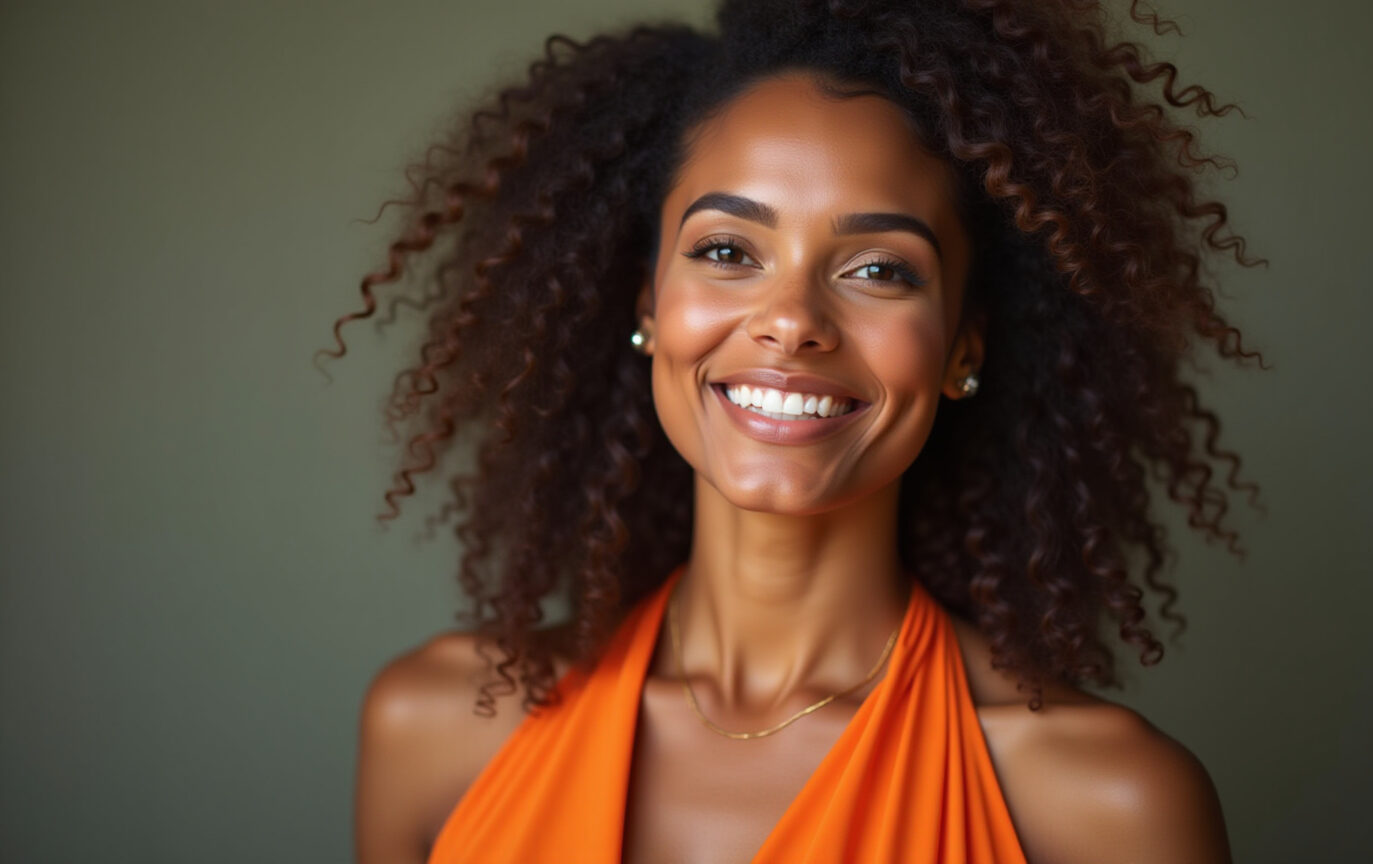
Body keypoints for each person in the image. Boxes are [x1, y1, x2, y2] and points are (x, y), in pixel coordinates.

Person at [326, 0, 1265, 861]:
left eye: (880, 270)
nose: (792, 321)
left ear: (961, 346)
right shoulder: (436, 727)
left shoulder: (1103, 806)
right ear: (650, 300)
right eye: (728, 251)